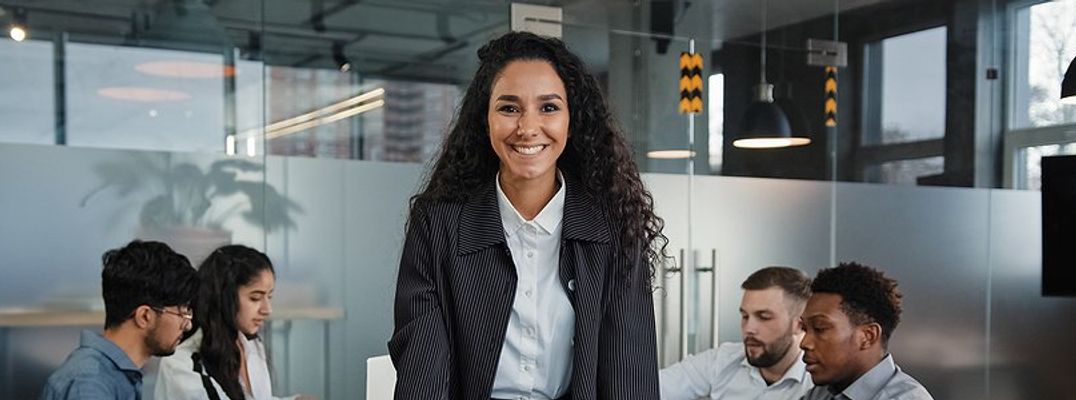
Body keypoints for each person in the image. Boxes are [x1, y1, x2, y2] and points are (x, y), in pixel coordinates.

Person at [389, 31, 667, 400]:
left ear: (572, 119)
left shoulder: (611, 227)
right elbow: (424, 373)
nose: (527, 128)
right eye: (509, 108)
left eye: (548, 107)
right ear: (484, 119)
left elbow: (629, 376)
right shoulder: (438, 223)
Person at [41, 240, 199, 400]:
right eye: (181, 313)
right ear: (144, 316)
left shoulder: (115, 375)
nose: (188, 325)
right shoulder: (90, 384)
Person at [154, 245, 316, 400]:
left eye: (270, 297)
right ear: (224, 296)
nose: (267, 309)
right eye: (255, 298)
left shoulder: (251, 346)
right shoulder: (182, 364)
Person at [659, 266, 814, 399]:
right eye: (745, 316)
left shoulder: (818, 383)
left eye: (764, 317)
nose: (748, 328)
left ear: (799, 325)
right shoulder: (723, 360)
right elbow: (650, 389)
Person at [799, 262, 933, 400]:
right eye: (804, 329)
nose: (804, 343)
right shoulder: (820, 394)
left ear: (868, 336)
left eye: (820, 328)